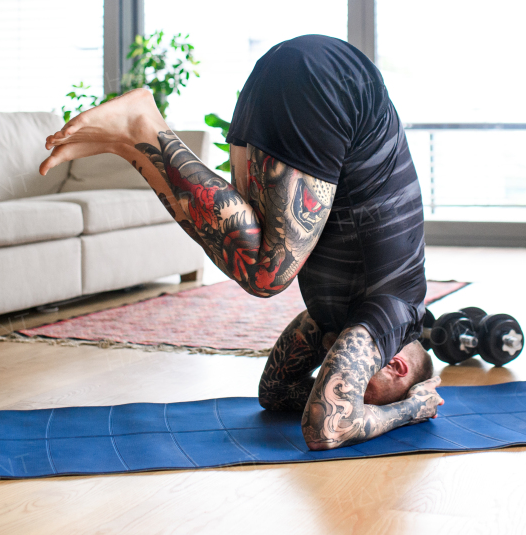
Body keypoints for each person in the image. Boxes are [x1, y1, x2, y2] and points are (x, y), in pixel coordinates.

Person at [39, 34, 443, 450]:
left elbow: (274, 392)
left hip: (294, 79)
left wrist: (356, 405)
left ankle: (130, 140)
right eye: (364, 395)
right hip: (333, 92)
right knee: (267, 274)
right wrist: (408, 411)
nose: (352, 394)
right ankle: (141, 124)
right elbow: (327, 428)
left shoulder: (336, 320)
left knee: (255, 253)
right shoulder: (394, 318)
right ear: (395, 365)